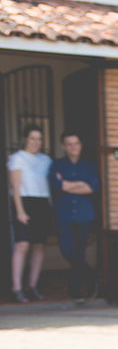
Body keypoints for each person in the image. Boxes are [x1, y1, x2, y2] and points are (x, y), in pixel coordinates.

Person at [50, 132, 100, 302]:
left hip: (84, 215)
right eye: (69, 144)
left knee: (79, 252)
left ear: (81, 145)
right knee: (67, 251)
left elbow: (92, 188)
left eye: (76, 143)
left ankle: (75, 290)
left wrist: (67, 185)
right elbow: (56, 185)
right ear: (63, 146)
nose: (73, 147)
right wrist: (79, 184)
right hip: (63, 215)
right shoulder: (57, 165)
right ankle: (92, 276)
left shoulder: (88, 166)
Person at [7, 125, 53, 302]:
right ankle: (16, 287)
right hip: (25, 202)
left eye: (39, 139)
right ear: (25, 138)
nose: (36, 142)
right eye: (33, 138)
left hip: (42, 203)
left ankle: (32, 285)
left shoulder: (46, 160)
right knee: (22, 245)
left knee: (39, 245)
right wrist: (19, 210)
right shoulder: (17, 158)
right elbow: (15, 187)